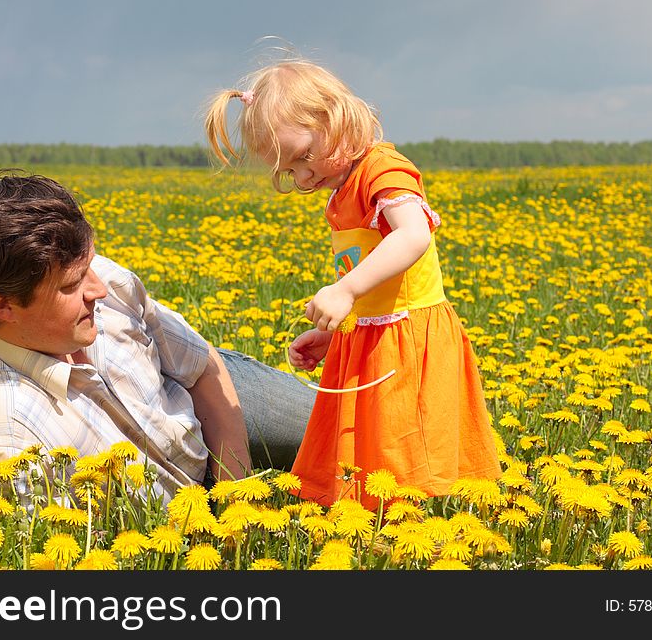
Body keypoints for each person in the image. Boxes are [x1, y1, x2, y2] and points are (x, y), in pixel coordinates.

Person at [205, 57, 502, 509]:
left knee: (399, 450)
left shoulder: (383, 169)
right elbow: (373, 277)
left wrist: (344, 292)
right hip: (373, 334)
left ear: (333, 117)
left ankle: (408, 539)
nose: (304, 176)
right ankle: (371, 533)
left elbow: (413, 234)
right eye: (289, 171)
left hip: (407, 337)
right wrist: (334, 331)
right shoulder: (342, 190)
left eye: (304, 156)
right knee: (367, 457)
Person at [0, 170, 313, 506]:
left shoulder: (92, 276)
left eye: (89, 266)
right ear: (4, 306)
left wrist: (233, 501)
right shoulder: (2, 434)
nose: (98, 288)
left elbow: (202, 369)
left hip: (200, 393)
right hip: (167, 519)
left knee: (359, 432)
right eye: (73, 284)